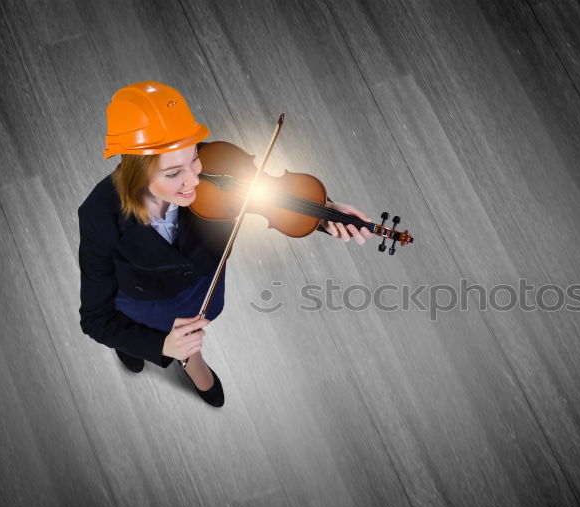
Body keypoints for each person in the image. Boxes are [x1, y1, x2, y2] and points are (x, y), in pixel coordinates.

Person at [78, 81, 373, 407]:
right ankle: (155, 351)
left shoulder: (217, 161)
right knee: (147, 336)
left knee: (195, 328)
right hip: (144, 298)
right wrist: (162, 346)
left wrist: (323, 213)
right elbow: (95, 317)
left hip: (206, 277)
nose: (194, 180)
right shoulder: (98, 215)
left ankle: (184, 357)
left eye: (193, 157)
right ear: (137, 175)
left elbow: (269, 199)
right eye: (174, 173)